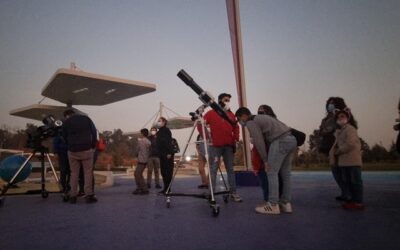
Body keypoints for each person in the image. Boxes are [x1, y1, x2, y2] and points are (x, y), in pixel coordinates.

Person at [235, 107, 297, 215]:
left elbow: (259, 142)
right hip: (291, 139)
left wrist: (265, 160)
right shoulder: (263, 117)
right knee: (285, 174)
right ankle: (286, 204)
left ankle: (273, 205)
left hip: (279, 141)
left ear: (244, 116)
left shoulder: (251, 122)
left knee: (271, 172)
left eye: (239, 119)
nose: (241, 122)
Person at [203, 93, 242, 202]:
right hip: (215, 147)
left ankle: (233, 193)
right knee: (213, 169)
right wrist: (205, 135)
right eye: (226, 100)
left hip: (228, 147)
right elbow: (200, 123)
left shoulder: (231, 114)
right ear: (220, 101)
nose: (227, 102)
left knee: (230, 170)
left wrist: (236, 138)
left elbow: (236, 126)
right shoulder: (211, 113)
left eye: (228, 100)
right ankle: (211, 193)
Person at [329, 110, 364, 210]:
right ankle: (352, 200)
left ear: (347, 118)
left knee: (355, 181)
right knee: (348, 181)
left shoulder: (350, 129)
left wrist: (339, 151)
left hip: (352, 161)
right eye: (338, 117)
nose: (340, 119)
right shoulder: (341, 131)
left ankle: (358, 202)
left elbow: (351, 144)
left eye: (342, 116)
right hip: (344, 162)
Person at [62, 109, 97, 204]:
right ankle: (89, 195)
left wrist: (68, 145)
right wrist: (93, 145)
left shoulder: (66, 122)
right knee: (88, 172)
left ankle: (72, 196)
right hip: (86, 149)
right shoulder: (86, 119)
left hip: (72, 150)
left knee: (74, 173)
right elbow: (94, 132)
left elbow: (64, 136)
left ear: (67, 115)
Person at [318, 97, 350, 201]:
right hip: (329, 147)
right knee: (335, 171)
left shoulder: (342, 115)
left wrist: (328, 130)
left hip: (338, 145)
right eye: (329, 103)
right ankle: (344, 192)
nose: (330, 105)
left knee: (343, 171)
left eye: (332, 103)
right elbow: (322, 130)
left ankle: (348, 193)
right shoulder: (325, 119)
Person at [251, 104, 279, 203]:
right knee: (266, 180)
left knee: (269, 180)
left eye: (262, 112)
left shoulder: (270, 126)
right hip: (262, 158)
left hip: (268, 157)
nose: (260, 114)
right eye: (259, 112)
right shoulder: (273, 124)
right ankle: (275, 200)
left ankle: (271, 201)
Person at [156, 117, 174, 194]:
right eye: (158, 121)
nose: (158, 122)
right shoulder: (159, 131)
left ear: (164, 122)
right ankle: (165, 188)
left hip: (167, 154)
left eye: (159, 121)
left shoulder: (166, 130)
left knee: (168, 172)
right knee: (163, 172)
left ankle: (168, 189)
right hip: (162, 154)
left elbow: (168, 142)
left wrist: (169, 152)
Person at [133, 128, 151, 195]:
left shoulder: (141, 141)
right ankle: (142, 188)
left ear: (142, 134)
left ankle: (142, 189)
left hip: (141, 160)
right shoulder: (148, 142)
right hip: (146, 159)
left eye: (141, 133)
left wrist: (136, 155)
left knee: (137, 174)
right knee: (139, 174)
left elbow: (137, 150)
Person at [53, 130, 70, 197]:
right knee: (63, 171)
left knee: (70, 172)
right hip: (62, 153)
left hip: (71, 152)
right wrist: (56, 152)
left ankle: (68, 187)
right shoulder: (60, 131)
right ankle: (63, 187)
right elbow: (56, 141)